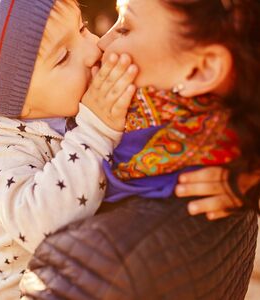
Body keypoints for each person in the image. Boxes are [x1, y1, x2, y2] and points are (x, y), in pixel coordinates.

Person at [21, 0, 259, 298]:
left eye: (125, 27)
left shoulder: (93, 265)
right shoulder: (234, 166)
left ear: (202, 70)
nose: (101, 44)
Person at [0, 0, 143, 298]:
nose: (94, 49)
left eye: (82, 28)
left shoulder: (71, 101)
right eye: (63, 57)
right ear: (18, 104)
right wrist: (97, 129)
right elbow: (41, 223)